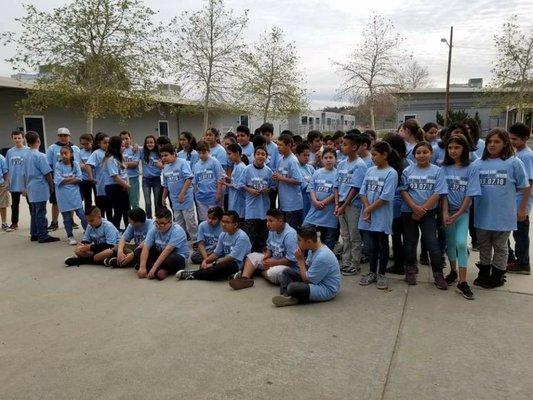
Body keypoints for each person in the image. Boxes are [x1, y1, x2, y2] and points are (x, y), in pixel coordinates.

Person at [473, 128, 529, 288]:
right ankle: (483, 272)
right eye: (489, 141)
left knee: (500, 247)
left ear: (505, 143)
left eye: (496, 141)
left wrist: (522, 209)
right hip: (482, 214)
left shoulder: (514, 162)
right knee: (484, 246)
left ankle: (497, 275)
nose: (492, 144)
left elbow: (524, 187)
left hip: (503, 215)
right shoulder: (478, 163)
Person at [400, 141, 448, 289]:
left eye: (425, 152)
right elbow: (403, 191)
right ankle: (410, 269)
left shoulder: (437, 171)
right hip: (409, 212)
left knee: (431, 242)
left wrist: (422, 210)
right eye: (418, 152)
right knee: (409, 242)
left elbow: (438, 193)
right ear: (414, 155)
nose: (421, 155)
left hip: (428, 213)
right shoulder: (407, 171)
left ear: (431, 154)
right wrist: (414, 208)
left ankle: (438, 273)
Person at [441, 134, 481, 299]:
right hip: (447, 213)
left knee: (460, 243)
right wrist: (445, 213)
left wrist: (457, 214)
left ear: (464, 149)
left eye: (457, 147)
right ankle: (453, 272)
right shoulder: (443, 168)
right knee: (450, 243)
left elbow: (470, 194)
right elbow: (442, 193)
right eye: (450, 148)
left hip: (462, 213)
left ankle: (463, 282)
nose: (453, 151)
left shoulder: (471, 168)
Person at [358, 142, 400, 290]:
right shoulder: (370, 171)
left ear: (385, 155)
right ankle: (372, 272)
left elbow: (385, 197)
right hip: (368, 215)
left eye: (375, 155)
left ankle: (381, 273)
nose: (373, 157)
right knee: (372, 246)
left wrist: (368, 210)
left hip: (381, 215)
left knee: (382, 244)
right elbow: (362, 192)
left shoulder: (391, 173)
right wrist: (368, 209)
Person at [229, 208, 298, 290]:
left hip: (287, 266)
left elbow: (291, 260)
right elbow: (269, 248)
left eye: (271, 221)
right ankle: (245, 279)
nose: (268, 224)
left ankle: (258, 272)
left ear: (280, 221)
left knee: (275, 273)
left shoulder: (290, 234)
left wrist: (273, 263)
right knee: (252, 256)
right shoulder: (272, 230)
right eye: (267, 220)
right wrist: (266, 256)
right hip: (273, 260)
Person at [272, 226, 341, 307]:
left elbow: (308, 280)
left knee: (292, 287)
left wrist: (300, 260)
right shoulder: (312, 249)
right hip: (315, 280)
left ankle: (294, 296)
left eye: (299, 240)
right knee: (286, 272)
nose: (297, 242)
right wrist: (302, 258)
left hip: (326, 288)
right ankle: (286, 296)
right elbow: (307, 268)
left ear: (308, 242)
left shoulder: (322, 256)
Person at [176, 210, 251, 281]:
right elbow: (216, 253)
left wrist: (214, 264)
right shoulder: (223, 234)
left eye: (227, 222)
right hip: (225, 259)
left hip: (237, 263)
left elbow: (232, 257)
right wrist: (206, 261)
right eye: (223, 221)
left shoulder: (241, 237)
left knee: (220, 268)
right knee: (205, 265)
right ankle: (231, 275)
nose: (224, 224)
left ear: (235, 224)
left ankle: (193, 274)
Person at [334, 132, 368, 275]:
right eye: (342, 144)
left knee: (354, 236)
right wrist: (337, 204)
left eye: (345, 144)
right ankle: (346, 262)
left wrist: (343, 205)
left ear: (354, 147)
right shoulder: (341, 163)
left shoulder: (360, 165)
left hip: (352, 205)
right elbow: (336, 185)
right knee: (345, 235)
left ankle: (355, 264)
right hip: (340, 204)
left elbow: (355, 188)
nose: (342, 146)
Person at [23, 131, 59, 243]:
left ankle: (34, 233)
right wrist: (51, 185)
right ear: (38, 141)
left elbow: (23, 173)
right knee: (41, 212)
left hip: (30, 186)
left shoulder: (25, 155)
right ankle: (43, 235)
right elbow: (47, 173)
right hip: (40, 186)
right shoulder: (40, 156)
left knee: (34, 211)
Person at [134, 207, 188, 280]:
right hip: (160, 253)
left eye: (162, 223)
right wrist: (142, 267)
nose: (158, 226)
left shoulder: (177, 231)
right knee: (138, 251)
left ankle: (154, 270)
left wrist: (153, 268)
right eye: (157, 222)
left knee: (170, 259)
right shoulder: (154, 227)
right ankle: (159, 272)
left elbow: (167, 250)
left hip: (175, 257)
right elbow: (146, 247)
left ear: (170, 222)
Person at [507, 123, 533, 275]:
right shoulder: (519, 153)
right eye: (510, 138)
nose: (512, 142)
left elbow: (528, 184)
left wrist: (523, 208)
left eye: (515, 139)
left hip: (520, 203)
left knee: (520, 233)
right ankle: (513, 259)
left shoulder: (526, 156)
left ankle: (523, 263)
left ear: (525, 138)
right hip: (514, 201)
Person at [46, 127, 81, 231]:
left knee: (72, 200)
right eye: (60, 135)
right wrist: (53, 180)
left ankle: (71, 220)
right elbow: (49, 164)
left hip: (73, 179)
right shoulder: (52, 148)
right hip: (58, 179)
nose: (63, 137)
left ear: (69, 136)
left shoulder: (75, 148)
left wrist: (74, 178)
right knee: (55, 202)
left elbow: (77, 164)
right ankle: (54, 221)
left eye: (65, 135)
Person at [383, 133, 408, 275]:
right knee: (403, 235)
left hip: (394, 204)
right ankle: (405, 261)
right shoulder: (406, 161)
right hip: (404, 204)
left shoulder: (392, 163)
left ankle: (399, 264)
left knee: (396, 235)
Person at [160, 143, 197, 239]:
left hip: (185, 198)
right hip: (174, 200)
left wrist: (182, 193)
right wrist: (163, 197)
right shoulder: (166, 168)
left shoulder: (182, 163)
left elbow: (189, 178)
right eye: (162, 156)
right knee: (178, 222)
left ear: (173, 154)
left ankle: (195, 239)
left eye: (166, 155)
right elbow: (166, 185)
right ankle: (181, 240)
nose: (164, 158)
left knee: (189, 221)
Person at [303, 148, 338, 250]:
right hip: (315, 209)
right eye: (326, 158)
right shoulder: (317, 172)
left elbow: (335, 192)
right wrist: (314, 201)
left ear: (336, 159)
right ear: (322, 160)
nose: (328, 160)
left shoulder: (337, 174)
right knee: (305, 230)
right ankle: (309, 256)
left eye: (331, 157)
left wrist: (323, 202)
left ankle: (327, 259)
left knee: (329, 237)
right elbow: (311, 188)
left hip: (329, 212)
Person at [54, 146, 88, 245]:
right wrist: (72, 179)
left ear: (71, 154)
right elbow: (57, 180)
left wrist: (65, 180)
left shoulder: (75, 164)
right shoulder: (58, 165)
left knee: (82, 215)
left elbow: (79, 178)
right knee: (67, 218)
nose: (64, 155)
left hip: (74, 195)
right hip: (62, 195)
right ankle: (70, 236)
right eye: (62, 153)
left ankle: (88, 233)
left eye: (66, 153)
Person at [242, 146, 273, 252]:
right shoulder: (247, 169)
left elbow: (273, 186)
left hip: (264, 209)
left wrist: (267, 190)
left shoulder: (268, 171)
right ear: (254, 155)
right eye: (258, 154)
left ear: (266, 157)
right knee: (250, 236)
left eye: (263, 154)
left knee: (262, 237)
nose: (260, 156)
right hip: (251, 209)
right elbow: (241, 184)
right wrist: (250, 190)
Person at [273, 134, 304, 228]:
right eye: (277, 145)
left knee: (291, 230)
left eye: (281, 145)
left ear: (289, 145)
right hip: (283, 202)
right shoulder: (281, 159)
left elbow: (298, 180)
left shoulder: (293, 160)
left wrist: (281, 178)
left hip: (292, 204)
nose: (278, 147)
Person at [193, 140, 224, 221]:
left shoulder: (214, 162)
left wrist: (219, 193)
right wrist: (196, 194)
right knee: (204, 220)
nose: (201, 155)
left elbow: (220, 178)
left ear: (208, 151)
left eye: (204, 152)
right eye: (199, 153)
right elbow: (195, 182)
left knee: (215, 219)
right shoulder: (197, 165)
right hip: (201, 197)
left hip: (213, 196)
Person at [103, 136, 130, 230]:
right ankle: (114, 231)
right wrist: (127, 185)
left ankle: (129, 230)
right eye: (122, 146)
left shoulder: (120, 157)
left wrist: (126, 184)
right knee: (118, 211)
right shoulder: (111, 159)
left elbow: (124, 173)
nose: (124, 148)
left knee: (127, 210)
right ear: (116, 147)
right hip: (114, 187)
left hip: (122, 186)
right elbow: (115, 177)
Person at [6, 130, 28, 230]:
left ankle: (35, 222)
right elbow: (7, 168)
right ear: (12, 139)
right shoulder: (10, 152)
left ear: (23, 138)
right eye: (15, 138)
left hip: (26, 183)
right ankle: (14, 223)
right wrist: (7, 181)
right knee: (14, 204)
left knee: (31, 204)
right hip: (14, 183)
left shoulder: (28, 150)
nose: (17, 140)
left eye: (19, 138)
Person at [87, 133, 112, 219]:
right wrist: (90, 177)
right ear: (99, 143)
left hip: (111, 186)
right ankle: (102, 227)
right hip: (101, 186)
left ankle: (111, 227)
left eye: (109, 142)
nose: (107, 145)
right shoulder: (96, 153)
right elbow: (88, 165)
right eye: (105, 143)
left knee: (110, 209)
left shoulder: (112, 152)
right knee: (101, 209)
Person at [222, 143, 247, 220]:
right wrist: (228, 178)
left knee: (238, 219)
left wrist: (225, 183)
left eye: (230, 154)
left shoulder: (240, 167)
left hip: (238, 199)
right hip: (234, 197)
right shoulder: (236, 165)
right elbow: (234, 180)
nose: (228, 156)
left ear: (237, 153)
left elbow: (238, 185)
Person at [141, 135, 163, 219]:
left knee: (157, 201)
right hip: (146, 180)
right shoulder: (142, 151)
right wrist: (135, 146)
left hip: (157, 179)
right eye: (147, 143)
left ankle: (157, 219)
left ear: (155, 143)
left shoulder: (159, 153)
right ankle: (149, 220)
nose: (149, 144)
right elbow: (133, 147)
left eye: (151, 142)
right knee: (148, 202)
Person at [258, 123, 280, 209]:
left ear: (272, 135)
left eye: (267, 135)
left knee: (271, 204)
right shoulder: (258, 146)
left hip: (271, 181)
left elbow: (277, 165)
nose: (265, 137)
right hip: (259, 180)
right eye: (263, 134)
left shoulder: (275, 148)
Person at [120, 131, 142, 209]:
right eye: (122, 139)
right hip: (122, 179)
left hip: (133, 178)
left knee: (134, 202)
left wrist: (123, 164)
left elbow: (135, 164)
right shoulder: (119, 151)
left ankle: (137, 219)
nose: (125, 141)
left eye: (126, 138)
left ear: (130, 139)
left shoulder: (134, 149)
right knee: (125, 203)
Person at [296, 143, 315, 216]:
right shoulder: (296, 168)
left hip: (311, 199)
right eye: (304, 155)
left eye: (308, 155)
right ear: (297, 155)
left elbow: (315, 182)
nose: (307, 157)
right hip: (301, 199)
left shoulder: (311, 168)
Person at [78, 133, 95, 211]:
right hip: (85, 179)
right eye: (83, 144)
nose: (85, 146)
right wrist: (90, 166)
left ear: (91, 142)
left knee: (99, 199)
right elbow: (78, 166)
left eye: (87, 144)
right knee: (87, 200)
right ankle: (88, 218)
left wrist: (85, 166)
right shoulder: (80, 152)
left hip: (96, 179)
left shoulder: (95, 151)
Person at [0, 153, 11, 231]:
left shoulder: (0, 157)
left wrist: (6, 182)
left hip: (1, 184)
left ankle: (4, 223)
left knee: (3, 204)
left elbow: (6, 171)